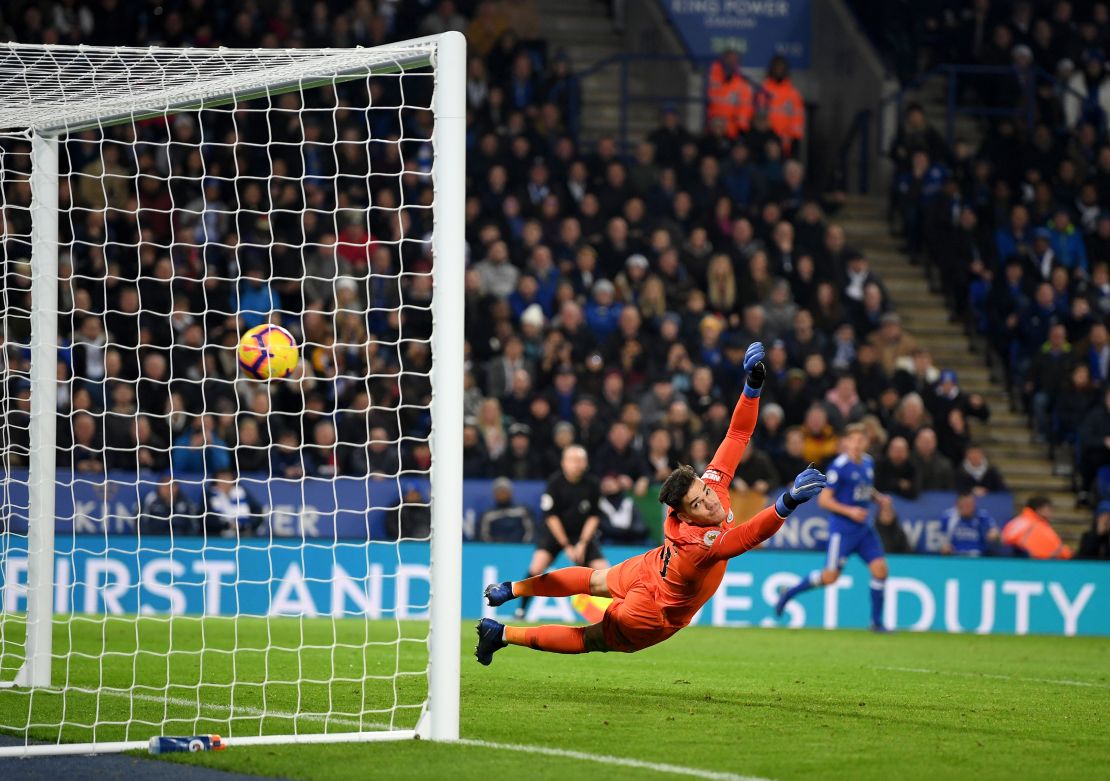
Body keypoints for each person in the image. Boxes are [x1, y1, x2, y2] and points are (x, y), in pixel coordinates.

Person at [474, 343, 826, 662]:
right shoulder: (698, 544)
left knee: (594, 580)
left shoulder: (711, 486)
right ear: (684, 515)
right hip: (653, 611)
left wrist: (752, 388)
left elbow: (737, 434)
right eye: (699, 504)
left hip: (650, 567)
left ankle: (511, 590)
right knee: (590, 639)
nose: (710, 502)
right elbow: (747, 536)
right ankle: (502, 632)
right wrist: (789, 501)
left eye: (704, 491)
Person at [775, 423, 891, 632]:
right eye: (852, 440)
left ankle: (876, 622)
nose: (856, 444)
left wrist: (878, 498)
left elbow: (864, 487)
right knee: (830, 577)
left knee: (881, 570)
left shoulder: (867, 463)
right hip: (843, 531)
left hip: (864, 530)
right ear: (846, 442)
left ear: (866, 442)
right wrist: (850, 511)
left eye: (860, 439)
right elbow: (825, 501)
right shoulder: (839, 467)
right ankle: (789, 592)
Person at [513, 444, 607, 619]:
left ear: (586, 463)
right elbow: (551, 517)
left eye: (580, 460)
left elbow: (594, 516)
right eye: (572, 460)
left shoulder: (592, 484)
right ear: (563, 463)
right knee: (537, 566)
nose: (576, 464)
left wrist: (582, 543)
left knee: (604, 571)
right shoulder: (554, 483)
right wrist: (566, 545)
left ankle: (614, 614)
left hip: (582, 535)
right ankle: (521, 610)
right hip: (555, 534)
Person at [1001, 496, 1073, 559]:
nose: (1051, 512)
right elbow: (1056, 549)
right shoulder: (1037, 526)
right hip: (1033, 563)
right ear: (1039, 509)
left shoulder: (1018, 521)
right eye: (1048, 508)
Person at [941, 491, 1000, 556]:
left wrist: (994, 534)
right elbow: (943, 538)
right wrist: (945, 546)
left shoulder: (982, 516)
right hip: (956, 556)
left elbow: (994, 531)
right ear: (957, 505)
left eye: (969, 505)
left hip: (979, 556)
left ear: (974, 504)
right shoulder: (948, 517)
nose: (966, 508)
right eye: (964, 505)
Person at [477, 477, 536, 543]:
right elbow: (482, 536)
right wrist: (493, 548)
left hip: (519, 549)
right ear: (494, 494)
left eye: (505, 491)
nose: (502, 494)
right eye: (499, 491)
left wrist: (523, 547)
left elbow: (531, 533)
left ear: (511, 492)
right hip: (494, 550)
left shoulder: (523, 511)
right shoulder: (487, 514)